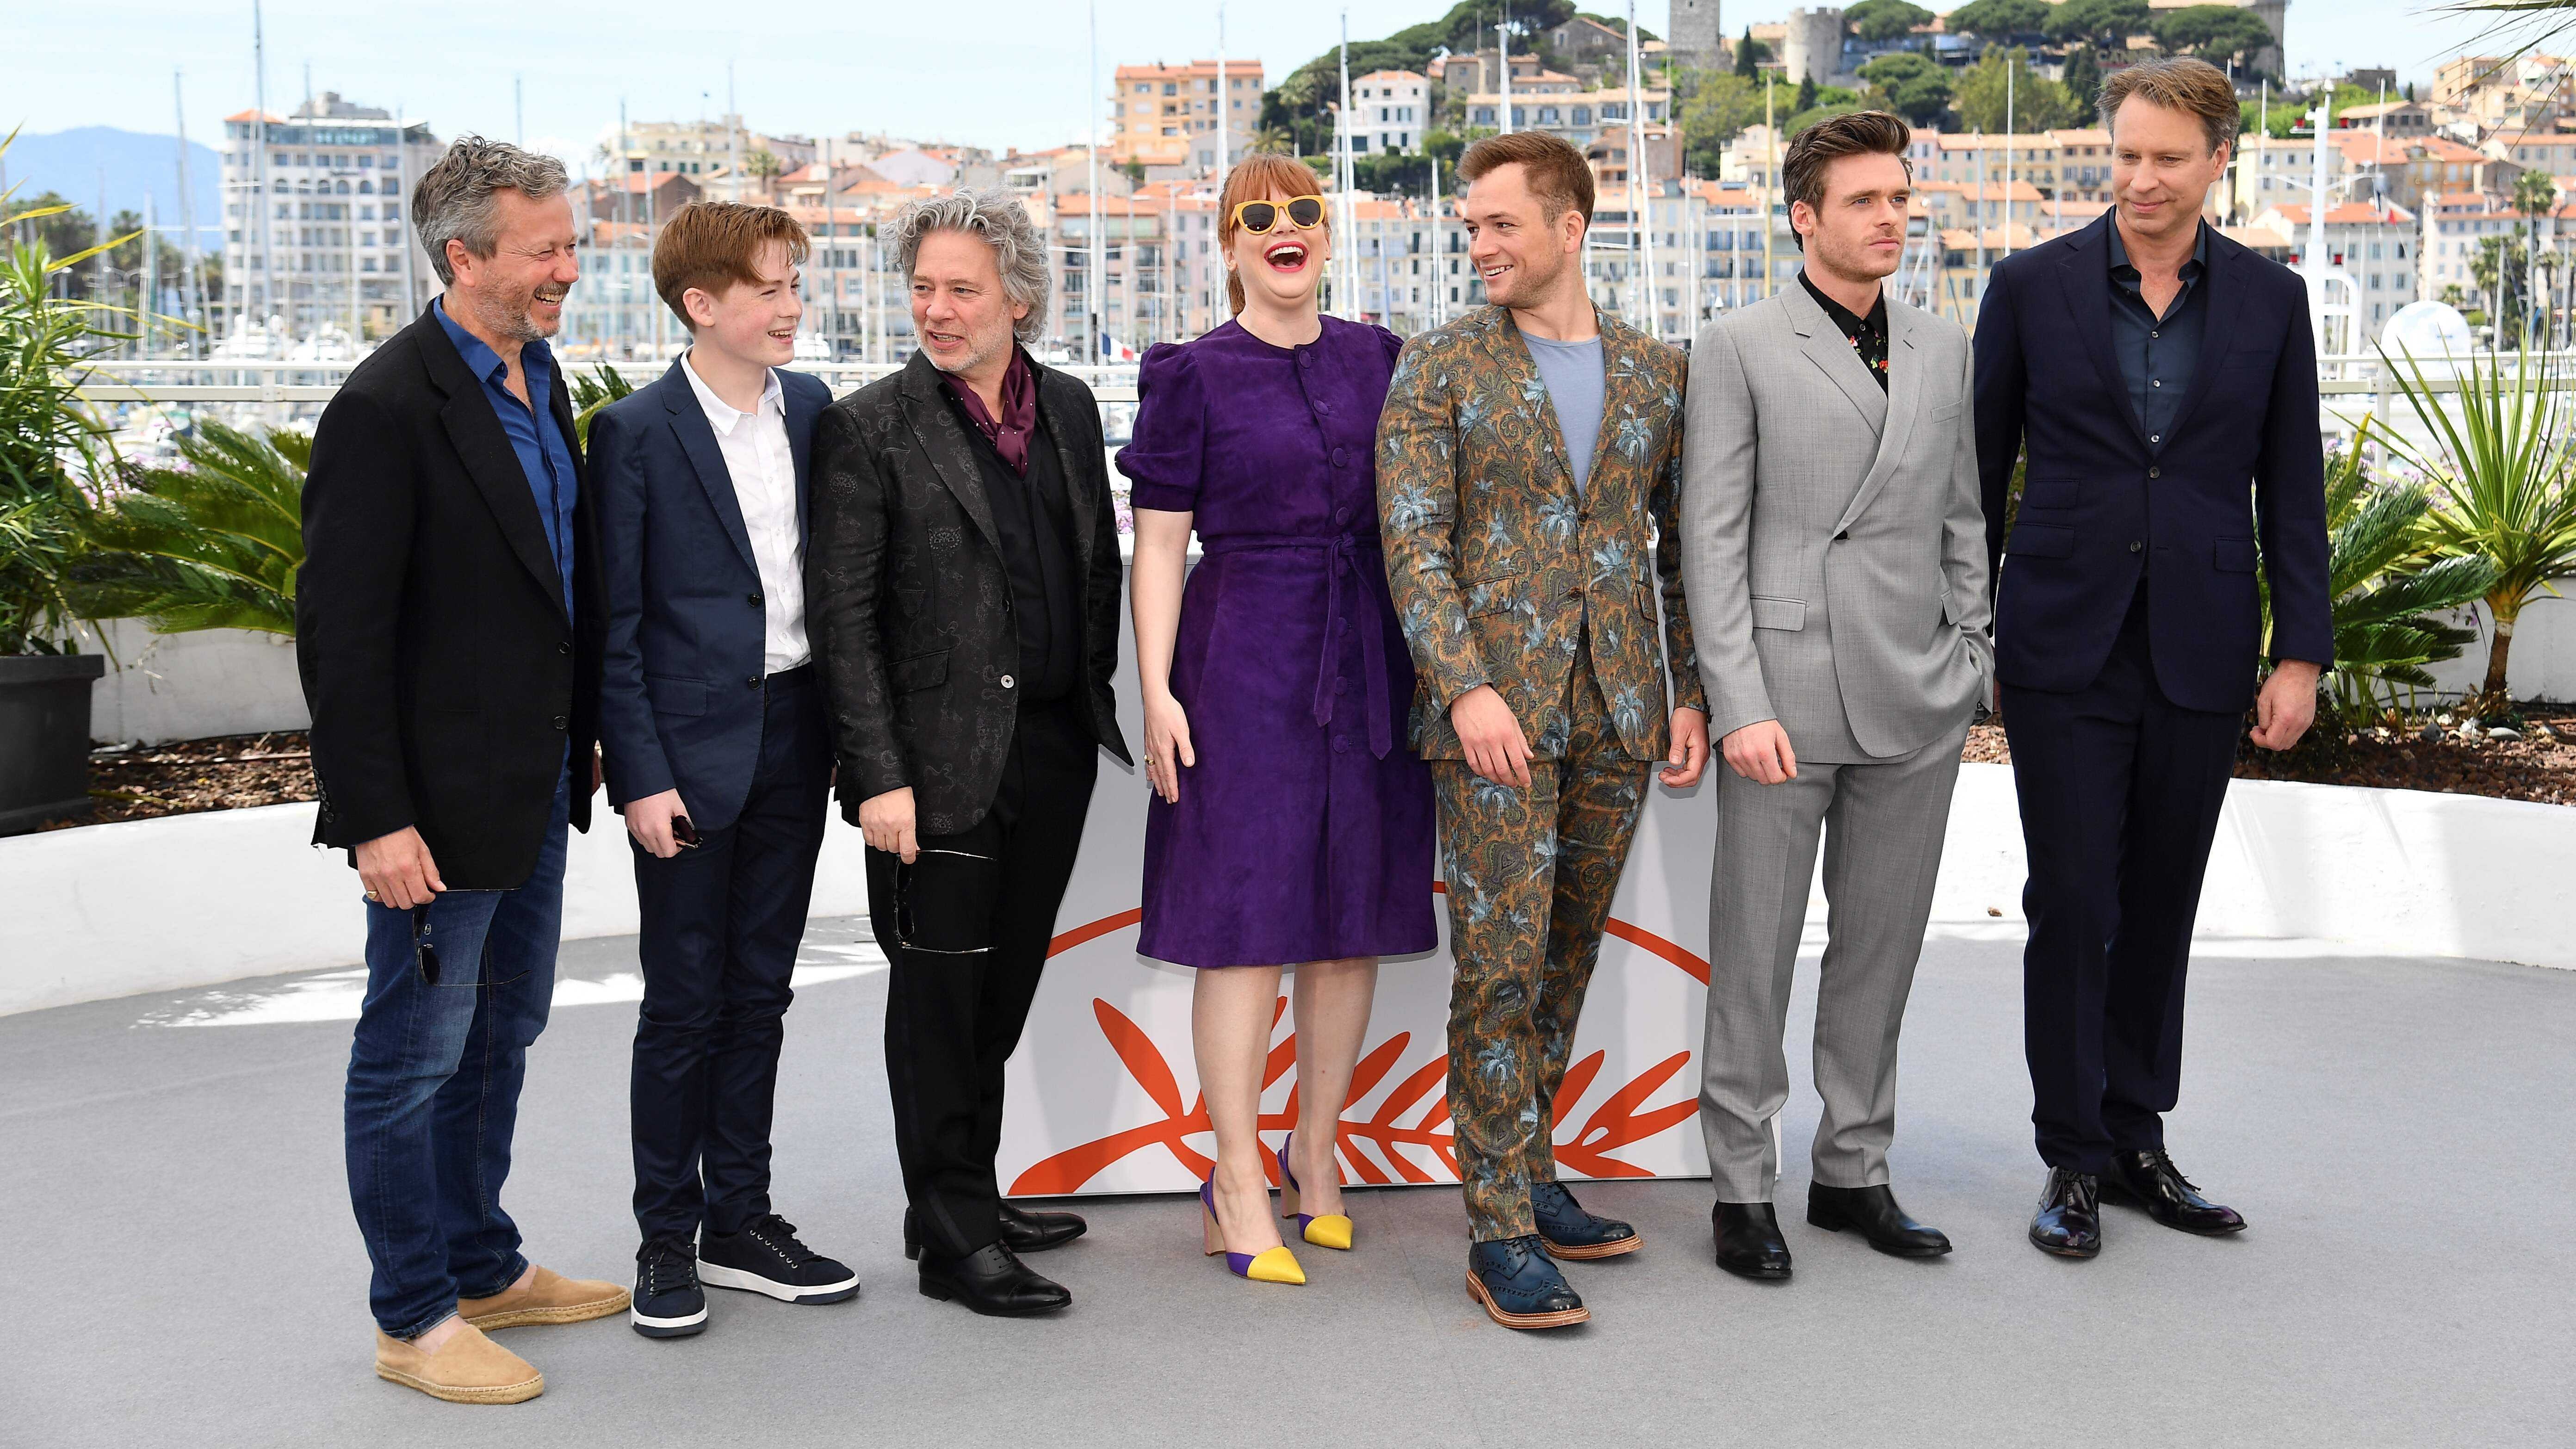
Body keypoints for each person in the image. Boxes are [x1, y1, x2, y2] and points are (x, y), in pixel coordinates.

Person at [1972, 58, 2330, 1259]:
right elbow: (1977, 477)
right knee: (2074, 899)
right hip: (2060, 643)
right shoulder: (2030, 287)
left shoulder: (2274, 301)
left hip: (2204, 644)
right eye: (2125, 154)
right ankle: (2071, 1156)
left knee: (2163, 901)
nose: (2141, 178)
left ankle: (2137, 1138)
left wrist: (2301, 655)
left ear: (2220, 161)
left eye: (2167, 159)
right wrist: (1970, 632)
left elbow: (2293, 491)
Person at [298, 136, 626, 1405]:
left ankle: (482, 1264)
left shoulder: (540, 378)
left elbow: (550, 587)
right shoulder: (384, 409)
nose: (568, 269)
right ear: (464, 257)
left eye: (570, 244)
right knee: (411, 1055)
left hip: (533, 787)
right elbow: (341, 638)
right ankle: (413, 1317)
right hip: (431, 813)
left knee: (503, 1029)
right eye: (545, 250)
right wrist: (375, 820)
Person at [1377, 130, 1710, 1331]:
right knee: (1500, 968)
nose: (1481, 244)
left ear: (1571, 227)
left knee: (1566, 959)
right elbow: (1414, 542)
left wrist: (1688, 690)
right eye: (1471, 227)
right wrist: (1466, 687)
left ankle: (1531, 1167)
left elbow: (1680, 548)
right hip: (1493, 719)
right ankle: (1498, 1228)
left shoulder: (1658, 370)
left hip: (1620, 707)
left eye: (1501, 224)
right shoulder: (1439, 363)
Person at [807, 189, 1131, 1316]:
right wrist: (877, 776)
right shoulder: (869, 426)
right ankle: (953, 1242)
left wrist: (1089, 694)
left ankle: (964, 1197)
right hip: (932, 769)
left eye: (962, 290)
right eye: (924, 289)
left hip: (1055, 748)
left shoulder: (1072, 408)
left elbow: (1096, 569)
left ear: (1020, 300)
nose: (936, 310)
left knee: (1001, 993)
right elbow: (843, 620)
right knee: (939, 1006)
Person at [1681, 111, 1991, 1283]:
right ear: (1804, 217)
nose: (1890, 218)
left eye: (1900, 198)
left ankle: (1854, 1169)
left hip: (1917, 692)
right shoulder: (1739, 344)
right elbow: (1711, 539)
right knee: (1754, 953)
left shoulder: (1943, 345)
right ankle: (1741, 1186)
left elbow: (1963, 516)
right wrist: (1739, 698)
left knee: (1881, 951)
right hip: (1785, 695)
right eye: (1864, 200)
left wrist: (1970, 653)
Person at [1120, 155, 1438, 1288]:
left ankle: (1316, 1152)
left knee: (1351, 917)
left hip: (1373, 659)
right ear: (1230, 244)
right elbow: (1160, 545)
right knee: (1246, 925)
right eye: (1258, 215)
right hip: (1242, 662)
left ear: (1328, 235)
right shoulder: (1191, 374)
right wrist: (1157, 690)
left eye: (1303, 210)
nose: (1283, 227)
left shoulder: (1381, 358)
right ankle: (1238, 1179)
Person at [588, 201, 855, 1338]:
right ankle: (665, 1238)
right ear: (701, 305)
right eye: (770, 288)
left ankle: (739, 1222)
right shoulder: (634, 432)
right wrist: (640, 777)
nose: (793, 305)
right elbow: (615, 625)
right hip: (686, 758)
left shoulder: (815, 408)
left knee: (762, 993)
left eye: (796, 283)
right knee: (684, 1004)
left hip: (797, 735)